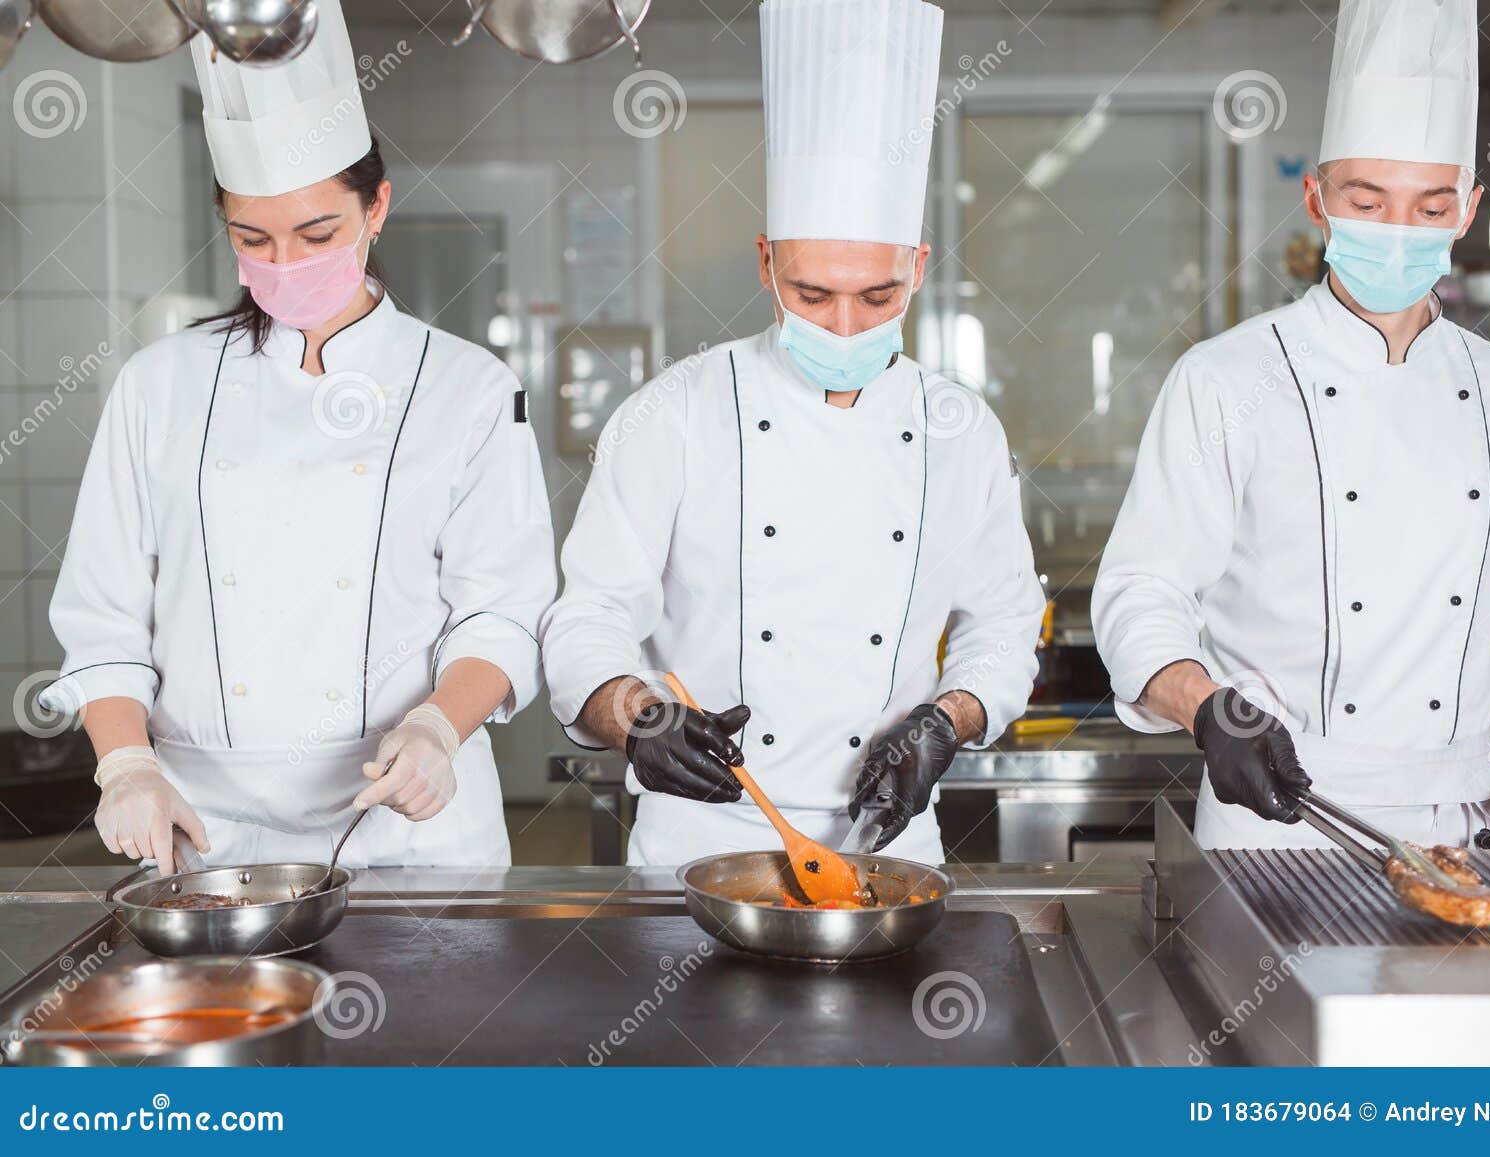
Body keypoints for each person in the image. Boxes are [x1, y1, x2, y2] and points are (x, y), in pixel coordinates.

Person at [40, 1, 555, 873]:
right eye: (254, 238)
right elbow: (103, 617)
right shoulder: (159, 384)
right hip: (206, 829)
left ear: (376, 208)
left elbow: (502, 611)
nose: (285, 263)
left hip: (408, 824)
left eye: (317, 234)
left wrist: (438, 727)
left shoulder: (469, 387)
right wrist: (126, 765)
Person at [540, 0, 1043, 867]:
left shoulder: (961, 431)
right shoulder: (673, 414)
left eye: (877, 296)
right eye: (813, 294)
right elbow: (588, 615)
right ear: (767, 262)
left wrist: (947, 719)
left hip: (890, 845)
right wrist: (636, 714)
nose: (845, 326)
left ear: (918, 268)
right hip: (697, 848)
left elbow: (1002, 621)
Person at [1092, 0, 1490, 850]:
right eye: (1368, 200)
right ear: (1317, 198)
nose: (1398, 232)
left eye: (1429, 208)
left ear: (1467, 209)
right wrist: (1209, 711)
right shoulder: (1224, 380)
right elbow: (1143, 594)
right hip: (1277, 814)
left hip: (1465, 820)